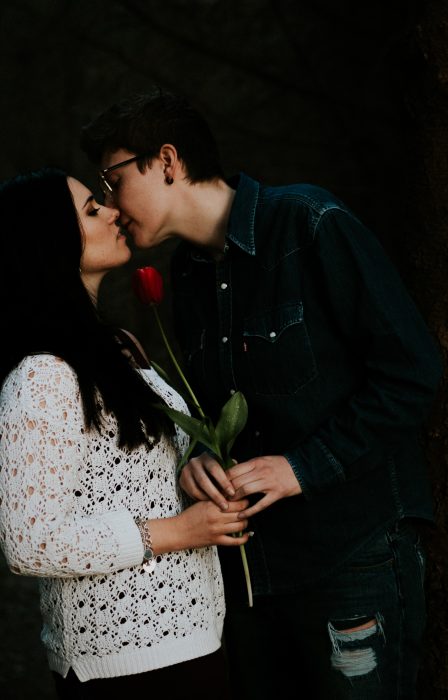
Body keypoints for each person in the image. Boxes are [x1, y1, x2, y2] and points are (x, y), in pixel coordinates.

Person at [80, 89, 442, 699]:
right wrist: (198, 459)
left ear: (167, 161)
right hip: (248, 580)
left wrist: (302, 468)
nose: (111, 205)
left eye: (112, 179)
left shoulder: (310, 224)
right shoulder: (188, 275)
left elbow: (412, 373)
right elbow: (215, 411)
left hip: (350, 558)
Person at [0, 169, 251, 699]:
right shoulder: (42, 375)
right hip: (121, 662)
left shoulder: (120, 347)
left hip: (194, 637)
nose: (114, 210)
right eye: (92, 210)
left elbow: (143, 474)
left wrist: (195, 467)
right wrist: (181, 532)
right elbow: (29, 542)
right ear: (50, 244)